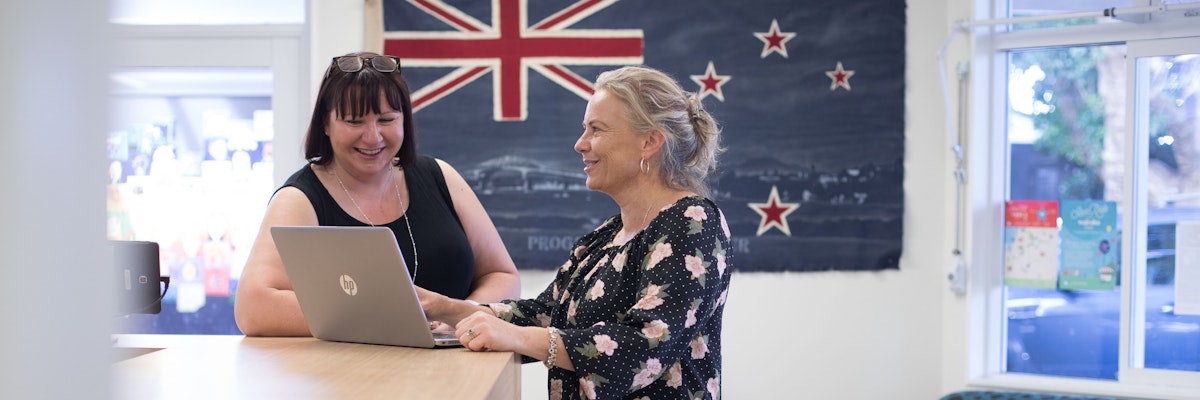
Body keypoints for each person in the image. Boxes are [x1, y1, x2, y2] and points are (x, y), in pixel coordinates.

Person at [418, 66, 732, 400]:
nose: (580, 144)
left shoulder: (692, 220)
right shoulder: (605, 236)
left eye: (596, 130)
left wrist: (516, 338)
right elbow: (542, 315)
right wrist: (443, 307)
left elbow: (646, 347)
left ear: (649, 141)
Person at [234, 52, 521, 336]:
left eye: (385, 120)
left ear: (404, 120)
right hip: (355, 379)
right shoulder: (299, 199)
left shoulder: (440, 176)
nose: (373, 137)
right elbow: (253, 308)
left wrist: (457, 315)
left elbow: (503, 276)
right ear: (325, 122)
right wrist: (396, 320)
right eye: (354, 121)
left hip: (463, 373)